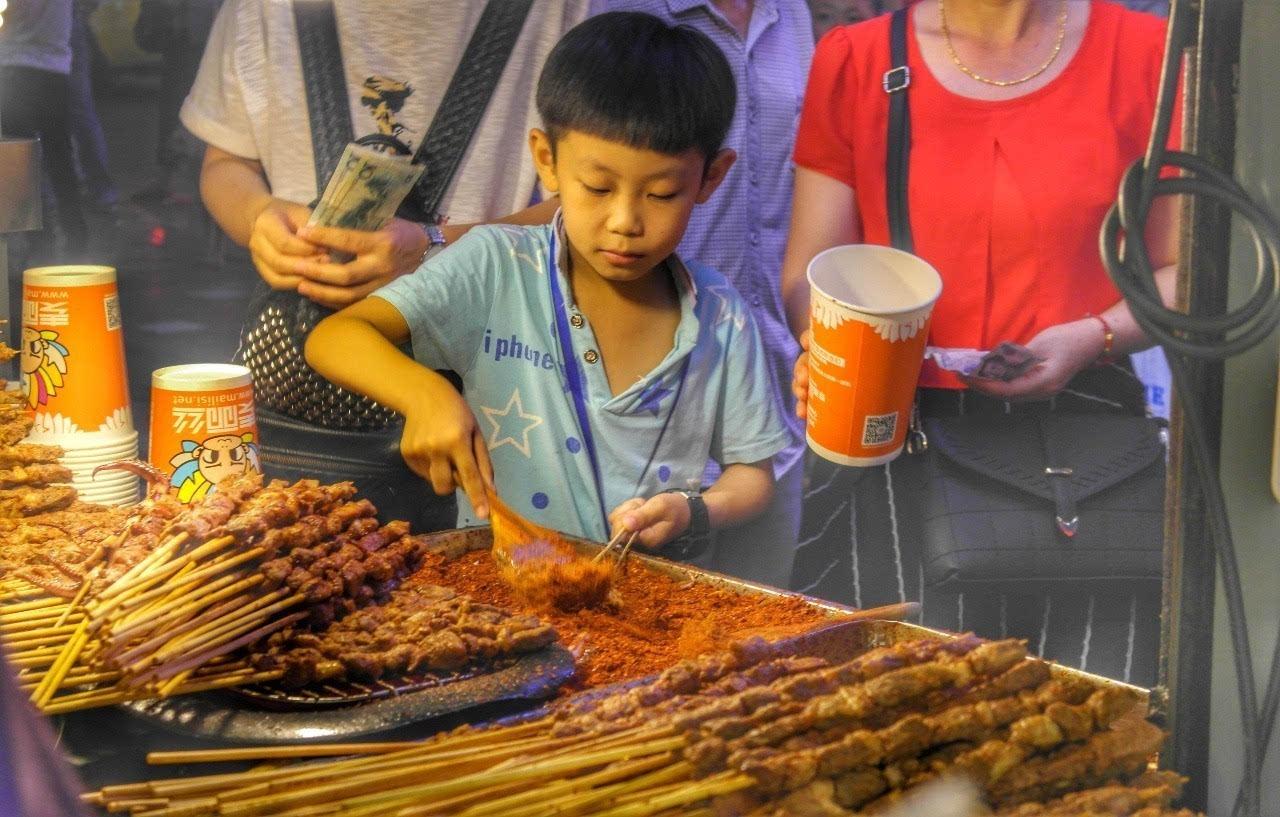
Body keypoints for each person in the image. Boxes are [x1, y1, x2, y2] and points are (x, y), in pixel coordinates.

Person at [783, 0, 1178, 686]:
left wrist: (1095, 335)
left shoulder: (1150, 53)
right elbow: (810, 272)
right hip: (894, 437)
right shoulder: (859, 60)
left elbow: (1189, 269)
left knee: (1079, 726)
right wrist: (829, 348)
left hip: (1086, 453)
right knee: (891, 726)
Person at [306, 12, 790, 551]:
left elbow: (754, 477)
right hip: (501, 600)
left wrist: (691, 511)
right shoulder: (495, 267)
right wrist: (425, 394)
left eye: (661, 195)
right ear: (547, 162)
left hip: (654, 606)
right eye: (598, 188)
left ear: (711, 178)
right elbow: (336, 337)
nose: (626, 222)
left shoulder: (721, 316)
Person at [584, 0, 813, 587]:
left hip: (772, 377)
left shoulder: (791, 14)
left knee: (754, 634)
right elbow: (579, 188)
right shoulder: (616, 11)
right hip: (651, 384)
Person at [180, 0, 587, 310]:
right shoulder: (262, 9)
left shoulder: (574, 9)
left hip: (500, 354)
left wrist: (435, 247)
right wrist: (258, 218)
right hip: (306, 367)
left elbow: (608, 200)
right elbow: (227, 163)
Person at [0, 0, 88, 262]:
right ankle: (76, 234)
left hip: (15, 66)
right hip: (54, 69)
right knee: (60, 157)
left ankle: (37, 239)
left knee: (22, 160)